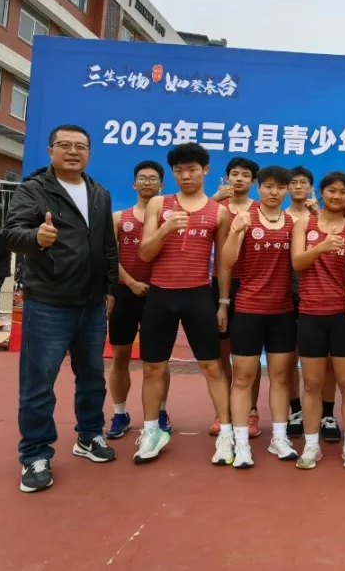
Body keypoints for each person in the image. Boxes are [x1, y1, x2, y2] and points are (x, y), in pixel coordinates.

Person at [4, 125, 118, 493]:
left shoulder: (99, 193)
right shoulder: (34, 190)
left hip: (92, 304)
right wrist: (36, 238)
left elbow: (108, 245)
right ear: (50, 150)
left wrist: (110, 288)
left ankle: (89, 435)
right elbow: (11, 233)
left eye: (80, 146)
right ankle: (35, 454)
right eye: (65, 145)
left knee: (93, 377)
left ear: (89, 153)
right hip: (49, 302)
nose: (73, 152)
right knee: (38, 384)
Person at [135, 143, 233, 465]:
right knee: (152, 367)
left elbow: (223, 263)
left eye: (192, 169)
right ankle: (152, 431)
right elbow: (145, 254)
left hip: (198, 296)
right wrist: (165, 228)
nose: (185, 176)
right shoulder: (159, 204)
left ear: (205, 170)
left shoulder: (218, 211)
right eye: (179, 170)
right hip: (160, 295)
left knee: (212, 367)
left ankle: (227, 434)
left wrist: (222, 303)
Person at [221, 165, 299, 468]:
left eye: (280, 187)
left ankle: (279, 437)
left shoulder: (293, 223)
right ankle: (241, 442)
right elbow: (227, 261)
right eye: (268, 186)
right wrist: (235, 231)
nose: (274, 192)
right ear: (259, 187)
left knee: (280, 377)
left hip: (282, 312)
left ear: (287, 190)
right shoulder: (244, 218)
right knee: (243, 378)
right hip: (248, 310)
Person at [292, 171, 345, 469]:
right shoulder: (303, 225)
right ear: (321, 192)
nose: (337, 196)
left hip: (342, 316)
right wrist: (321, 247)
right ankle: (311, 446)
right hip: (310, 314)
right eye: (331, 190)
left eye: (343, 192)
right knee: (312, 384)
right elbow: (297, 262)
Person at [106, 161, 172, 440]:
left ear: (162, 185)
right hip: (126, 294)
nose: (147, 182)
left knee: (158, 361)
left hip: (159, 295)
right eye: (142, 178)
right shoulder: (118, 218)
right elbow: (110, 257)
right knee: (120, 356)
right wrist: (131, 283)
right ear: (134, 184)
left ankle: (160, 411)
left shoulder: (170, 218)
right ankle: (120, 413)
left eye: (153, 178)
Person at [285, 165, 340, 442]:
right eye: (293, 182)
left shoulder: (321, 217)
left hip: (321, 297)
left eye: (303, 182)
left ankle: (327, 414)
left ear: (311, 187)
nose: (298, 186)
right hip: (286, 296)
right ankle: (296, 410)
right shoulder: (279, 217)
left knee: (327, 359)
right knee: (291, 357)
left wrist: (318, 213)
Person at [209, 157, 263, 438]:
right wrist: (213, 200)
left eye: (245, 175)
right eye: (234, 174)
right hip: (220, 283)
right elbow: (191, 231)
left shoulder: (261, 209)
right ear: (227, 177)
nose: (239, 179)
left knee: (248, 356)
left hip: (253, 285)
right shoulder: (216, 208)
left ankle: (250, 410)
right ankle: (225, 411)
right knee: (221, 352)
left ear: (254, 181)